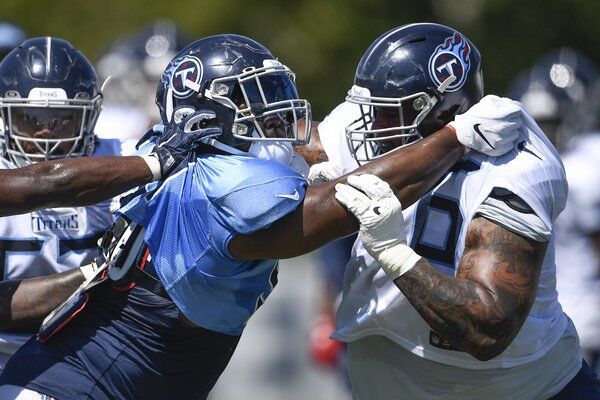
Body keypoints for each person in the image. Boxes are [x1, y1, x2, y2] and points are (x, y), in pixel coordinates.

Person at [0, 33, 521, 400]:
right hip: (81, 384)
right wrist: (456, 136)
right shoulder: (222, 183)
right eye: (257, 99)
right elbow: (351, 201)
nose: (279, 111)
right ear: (210, 116)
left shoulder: (204, 163)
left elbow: (323, 151)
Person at [309, 23, 599, 399]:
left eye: (386, 114)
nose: (367, 128)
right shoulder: (368, 123)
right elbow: (305, 146)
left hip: (525, 387)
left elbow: (486, 329)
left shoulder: (516, 164)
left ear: (440, 113)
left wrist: (393, 253)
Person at [0, 36, 217, 366]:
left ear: (91, 116)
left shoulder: (125, 156)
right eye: (30, 118)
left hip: (88, 348)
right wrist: (97, 272)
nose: (45, 132)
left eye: (62, 119)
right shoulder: (140, 162)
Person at [508, 48, 600, 376]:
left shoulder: (510, 167)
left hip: (536, 322)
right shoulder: (587, 163)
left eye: (549, 122)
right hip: (572, 317)